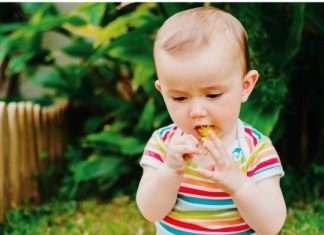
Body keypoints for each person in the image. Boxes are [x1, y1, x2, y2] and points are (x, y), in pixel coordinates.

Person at [136, 6, 286, 235]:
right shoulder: (164, 145)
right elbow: (151, 212)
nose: (196, 111)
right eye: (179, 97)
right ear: (162, 91)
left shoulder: (256, 150)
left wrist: (239, 184)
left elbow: (271, 225)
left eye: (213, 95)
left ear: (245, 86)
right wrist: (170, 170)